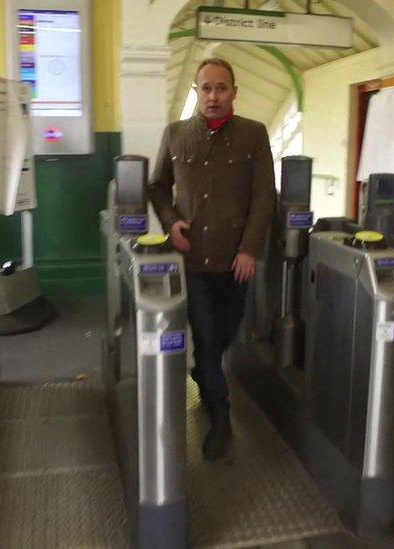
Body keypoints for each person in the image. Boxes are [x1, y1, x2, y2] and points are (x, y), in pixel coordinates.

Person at [149, 58, 276, 460]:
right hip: (196, 261)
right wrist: (171, 223)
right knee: (205, 338)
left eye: (222, 88)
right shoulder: (174, 134)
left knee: (225, 336)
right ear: (197, 92)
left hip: (237, 260)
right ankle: (221, 417)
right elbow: (156, 188)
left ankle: (205, 375)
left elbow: (263, 196)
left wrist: (250, 248)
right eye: (206, 88)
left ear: (234, 92)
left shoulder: (253, 134)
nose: (214, 96)